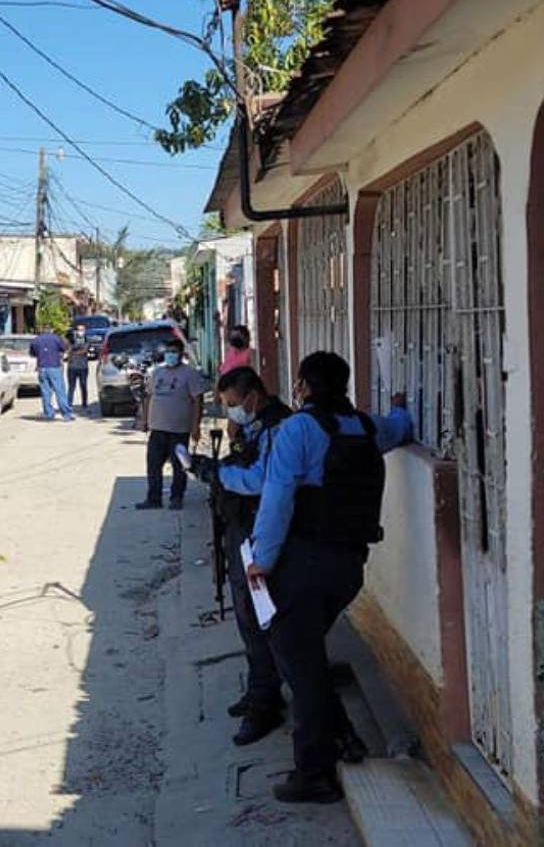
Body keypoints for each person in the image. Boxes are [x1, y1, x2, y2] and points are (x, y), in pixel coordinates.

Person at [247, 351, 412, 804]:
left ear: (302, 386)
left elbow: (277, 499)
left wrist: (261, 559)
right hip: (349, 566)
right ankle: (342, 738)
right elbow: (403, 426)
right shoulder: (367, 426)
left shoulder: (297, 429)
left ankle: (315, 772)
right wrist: (400, 404)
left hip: (301, 565)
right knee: (306, 657)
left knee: (300, 668)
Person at [191, 367, 290, 748]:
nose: (231, 411)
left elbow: (263, 480)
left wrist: (219, 475)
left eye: (233, 405)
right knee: (247, 622)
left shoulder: (279, 427)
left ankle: (265, 703)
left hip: (261, 536)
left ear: (252, 397)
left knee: (260, 620)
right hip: (242, 530)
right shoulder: (255, 426)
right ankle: (258, 690)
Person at [138, 338, 206, 511]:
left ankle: (177, 497)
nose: (170, 355)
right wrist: (144, 419)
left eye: (174, 352)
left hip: (179, 429)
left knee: (179, 465)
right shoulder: (157, 373)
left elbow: (198, 399)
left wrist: (195, 426)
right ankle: (154, 498)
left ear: (181, 354)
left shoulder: (189, 373)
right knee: (153, 464)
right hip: (158, 427)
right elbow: (148, 397)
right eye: (168, 351)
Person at [29, 325, 74, 421]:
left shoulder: (36, 340)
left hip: (42, 368)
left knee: (46, 392)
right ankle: (66, 414)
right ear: (51, 330)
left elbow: (32, 353)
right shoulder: (56, 338)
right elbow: (64, 348)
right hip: (54, 367)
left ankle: (48, 414)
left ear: (42, 330)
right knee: (60, 391)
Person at [66, 322, 91, 411]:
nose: (81, 331)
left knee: (83, 385)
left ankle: (84, 403)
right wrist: (73, 350)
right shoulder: (71, 339)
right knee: (71, 386)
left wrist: (73, 352)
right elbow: (68, 349)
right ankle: (69, 403)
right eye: (79, 330)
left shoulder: (86, 339)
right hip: (72, 366)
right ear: (75, 331)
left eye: (82, 330)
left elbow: (84, 350)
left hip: (83, 366)